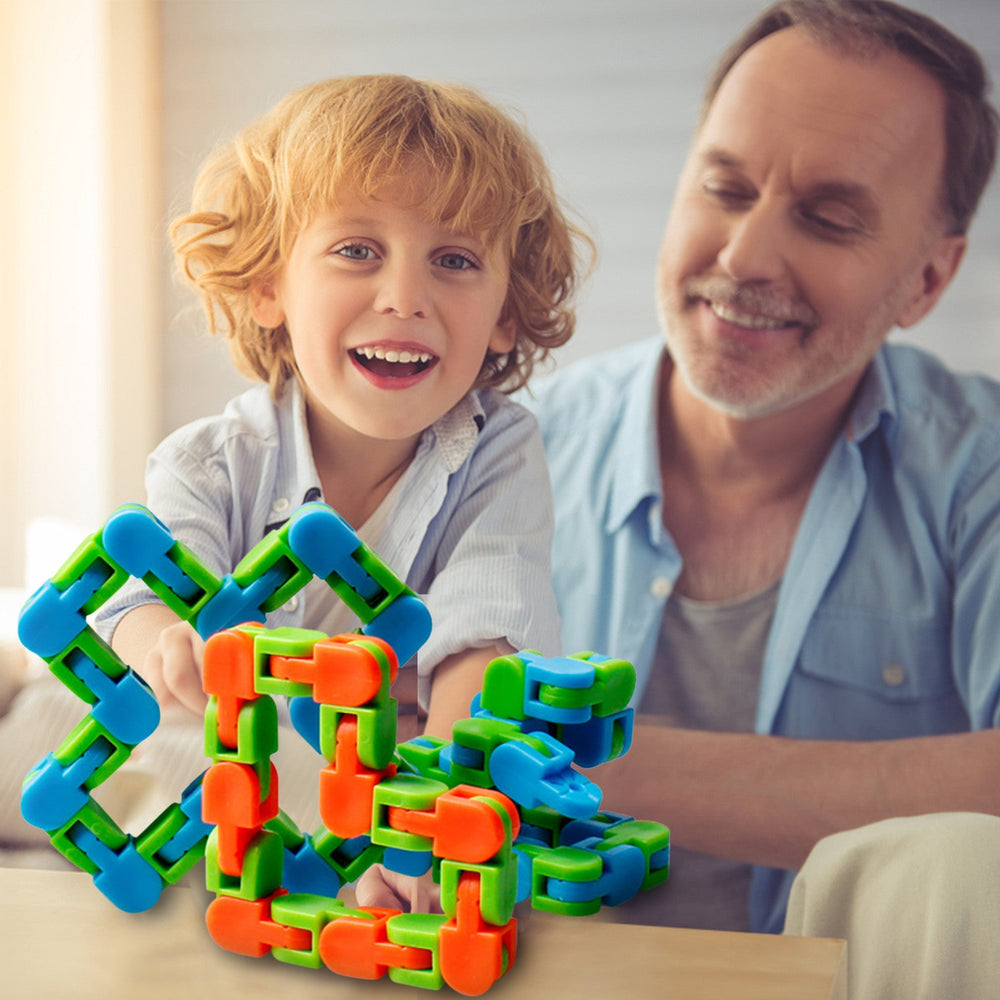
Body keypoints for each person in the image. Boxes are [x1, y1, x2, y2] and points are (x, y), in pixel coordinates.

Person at [524, 2, 1000, 995]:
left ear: (927, 279)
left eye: (828, 218)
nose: (743, 258)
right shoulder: (504, 453)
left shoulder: (980, 469)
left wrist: (584, 764)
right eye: (724, 189)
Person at [95, 74, 589, 745]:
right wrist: (168, 643)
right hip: (216, 781)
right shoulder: (209, 463)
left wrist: (445, 789)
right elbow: (137, 597)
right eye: (357, 251)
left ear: (505, 313)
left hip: (373, 796)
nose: (404, 298)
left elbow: (489, 631)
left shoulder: (496, 451)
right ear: (269, 286)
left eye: (454, 259)